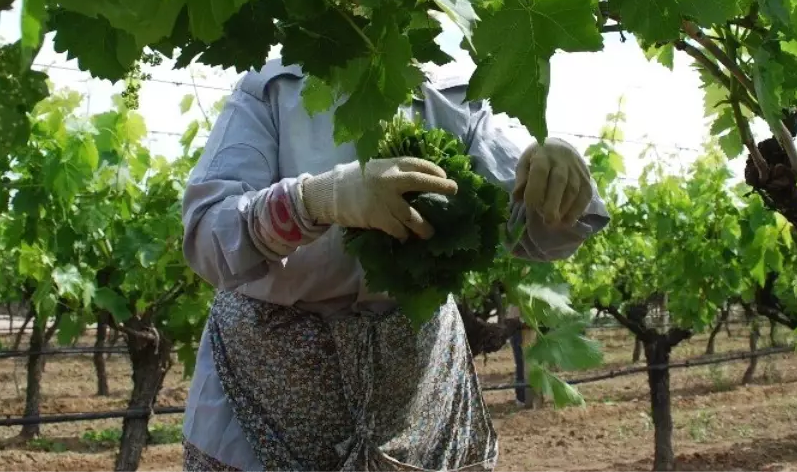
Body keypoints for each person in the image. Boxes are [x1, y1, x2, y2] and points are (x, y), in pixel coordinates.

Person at [180, 59, 610, 472]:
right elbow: (207, 237)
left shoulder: (451, 96)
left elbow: (535, 232)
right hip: (261, 402)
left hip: (415, 402)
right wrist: (314, 200)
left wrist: (557, 178)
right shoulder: (272, 86)